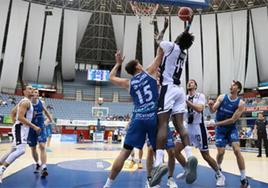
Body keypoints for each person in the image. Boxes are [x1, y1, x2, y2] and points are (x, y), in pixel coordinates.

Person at [103, 48, 164, 188]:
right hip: (153, 118)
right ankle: (155, 184)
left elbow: (111, 77)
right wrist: (160, 38)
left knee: (125, 152)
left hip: (138, 118)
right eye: (139, 63)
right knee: (157, 153)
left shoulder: (128, 83)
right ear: (137, 66)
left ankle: (107, 185)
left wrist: (118, 64)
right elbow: (160, 54)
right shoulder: (149, 72)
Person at [151, 16, 197, 187]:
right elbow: (183, 38)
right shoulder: (183, 53)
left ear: (177, 39)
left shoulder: (170, 46)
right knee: (180, 126)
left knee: (162, 125)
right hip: (179, 90)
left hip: (167, 87)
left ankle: (158, 164)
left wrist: (163, 28)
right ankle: (190, 155)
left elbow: (158, 40)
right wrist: (188, 23)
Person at [174, 79, 225, 186]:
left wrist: (187, 102)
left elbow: (199, 109)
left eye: (192, 82)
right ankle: (188, 170)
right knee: (176, 151)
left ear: (196, 86)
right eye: (188, 82)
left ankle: (220, 175)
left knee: (205, 155)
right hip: (187, 127)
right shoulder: (184, 97)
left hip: (198, 128)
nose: (189, 83)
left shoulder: (200, 96)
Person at [208, 80, 250, 188]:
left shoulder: (241, 104)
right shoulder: (222, 97)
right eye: (231, 85)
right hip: (220, 129)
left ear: (238, 89)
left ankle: (243, 179)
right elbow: (212, 111)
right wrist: (210, 105)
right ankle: (218, 168)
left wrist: (216, 123)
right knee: (221, 152)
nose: (231, 86)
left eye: (234, 85)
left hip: (231, 128)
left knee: (237, 150)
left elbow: (232, 120)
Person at [0, 85, 41, 183]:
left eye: (32, 89)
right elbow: (20, 118)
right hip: (21, 128)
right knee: (21, 150)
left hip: (22, 128)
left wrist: (16, 121)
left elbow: (13, 112)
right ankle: (1, 170)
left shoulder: (26, 102)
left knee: (13, 150)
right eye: (29, 89)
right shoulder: (25, 102)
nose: (32, 90)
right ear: (24, 92)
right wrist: (34, 127)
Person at [27, 89, 53, 177]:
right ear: (31, 94)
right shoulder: (27, 103)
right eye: (35, 92)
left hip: (40, 127)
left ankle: (44, 167)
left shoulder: (41, 102)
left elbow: (46, 111)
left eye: (38, 93)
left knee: (42, 146)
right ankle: (38, 164)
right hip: (31, 128)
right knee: (33, 148)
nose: (36, 94)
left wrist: (50, 120)